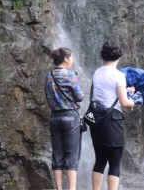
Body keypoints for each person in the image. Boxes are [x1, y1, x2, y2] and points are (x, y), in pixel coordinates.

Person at [90, 41, 135, 190]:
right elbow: (123, 102)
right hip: (112, 121)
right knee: (114, 162)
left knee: (100, 161)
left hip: (96, 121)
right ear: (119, 57)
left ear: (103, 56)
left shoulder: (97, 72)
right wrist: (133, 101)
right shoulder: (118, 75)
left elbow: (104, 93)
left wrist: (125, 90)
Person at [45, 47, 85, 190]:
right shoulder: (70, 75)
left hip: (54, 117)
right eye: (72, 57)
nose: (73, 60)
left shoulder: (49, 75)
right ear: (66, 59)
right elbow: (80, 97)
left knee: (57, 156)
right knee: (71, 156)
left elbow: (49, 97)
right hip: (70, 118)